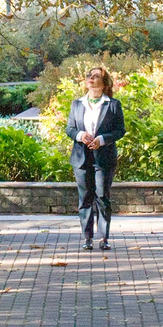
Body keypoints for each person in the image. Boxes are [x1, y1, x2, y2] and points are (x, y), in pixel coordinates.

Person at [65, 66, 125, 251]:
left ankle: (104, 238)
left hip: (104, 157)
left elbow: (119, 130)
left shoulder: (113, 104)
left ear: (104, 82)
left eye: (96, 76)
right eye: (88, 75)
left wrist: (102, 139)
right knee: (85, 198)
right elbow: (70, 129)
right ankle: (87, 238)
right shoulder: (77, 104)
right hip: (81, 157)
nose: (90, 78)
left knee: (102, 197)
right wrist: (80, 135)